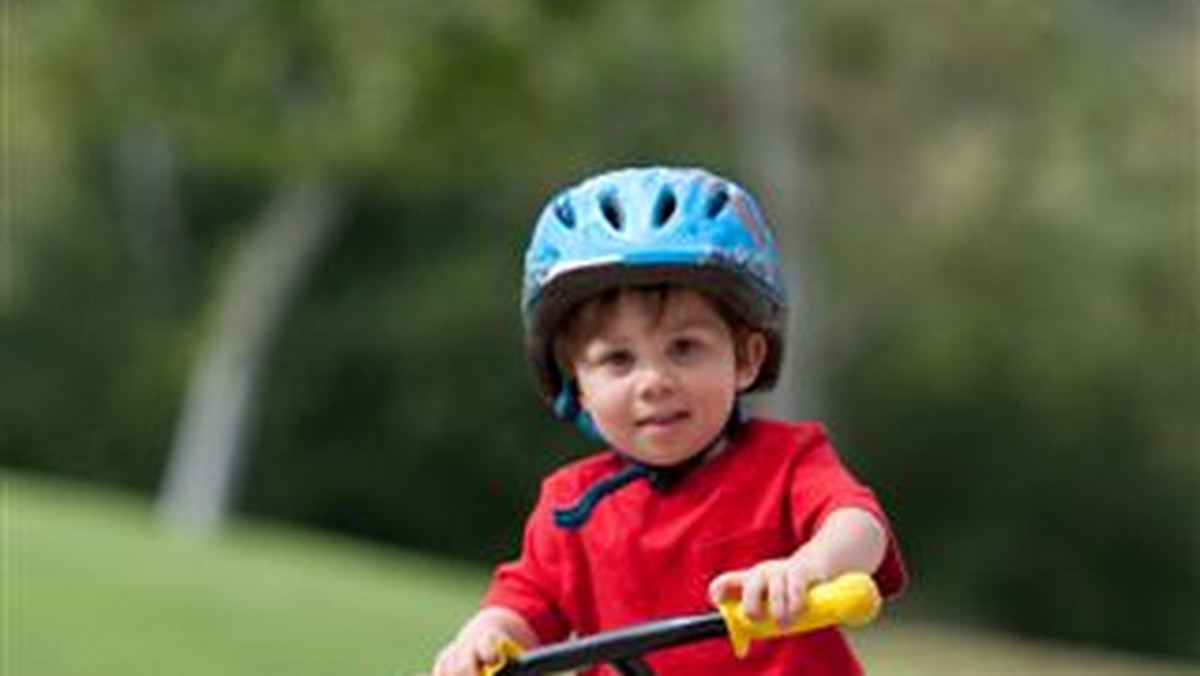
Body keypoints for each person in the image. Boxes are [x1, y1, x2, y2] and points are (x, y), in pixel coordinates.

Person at [431, 166, 906, 675]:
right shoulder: (570, 507)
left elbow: (859, 527)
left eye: (684, 348)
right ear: (578, 383)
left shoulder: (788, 461)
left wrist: (807, 567)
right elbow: (525, 603)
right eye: (618, 360)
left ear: (746, 358)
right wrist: (484, 637)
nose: (653, 381)